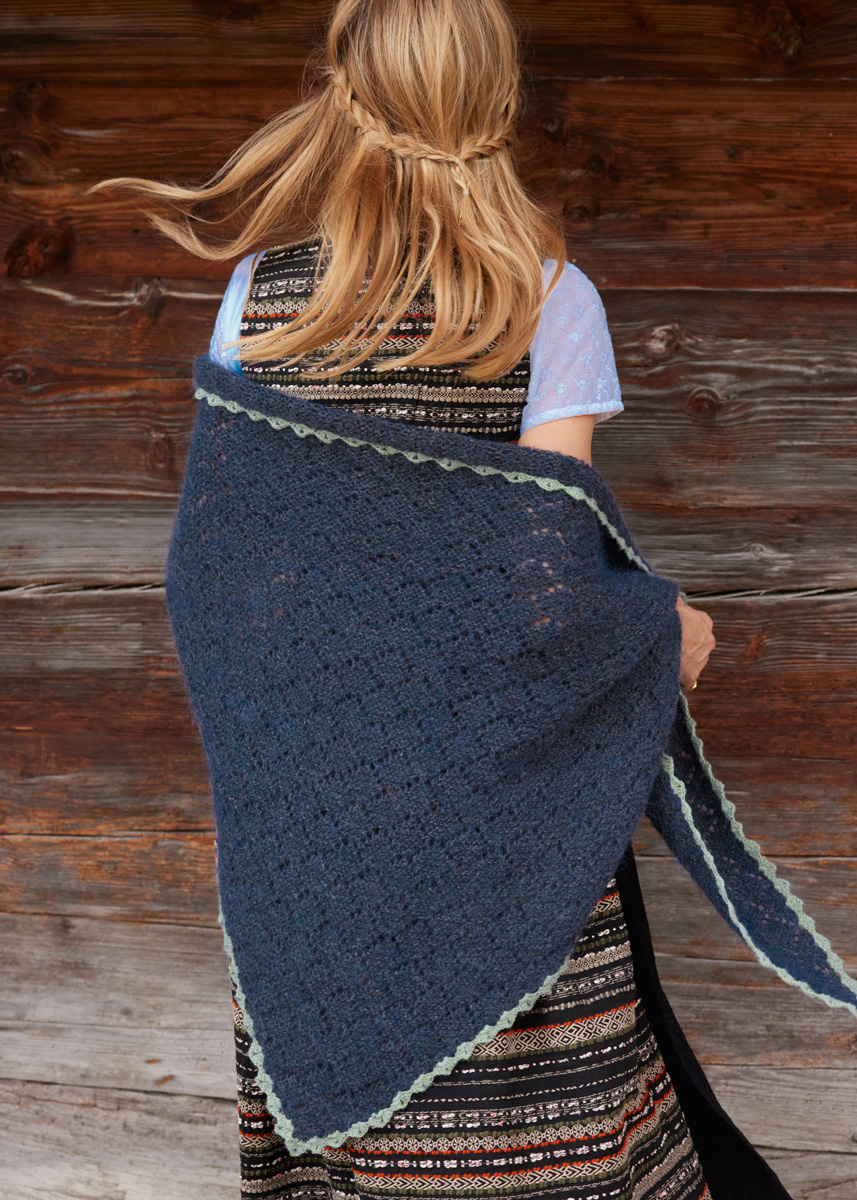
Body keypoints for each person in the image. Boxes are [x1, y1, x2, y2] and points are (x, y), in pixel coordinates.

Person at [94, 2, 803, 1196]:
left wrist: (292, 768)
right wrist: (658, 633)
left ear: (341, 92)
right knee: (540, 1119)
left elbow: (217, 582)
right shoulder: (544, 297)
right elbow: (543, 594)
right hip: (502, 800)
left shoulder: (261, 297)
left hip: (321, 816)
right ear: (497, 100)